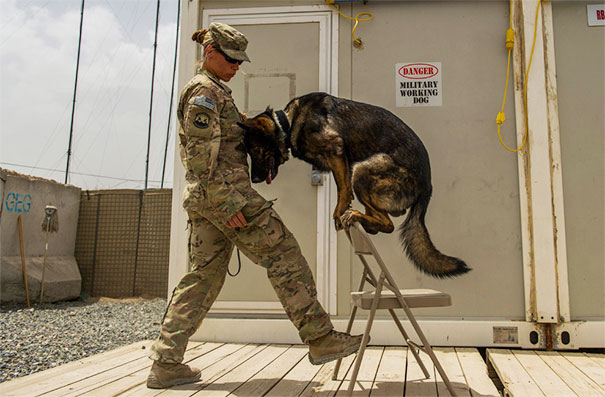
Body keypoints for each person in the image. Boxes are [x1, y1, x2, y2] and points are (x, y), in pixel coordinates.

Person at [146, 22, 362, 389]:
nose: (237, 66)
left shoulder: (216, 92)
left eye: (240, 60)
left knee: (202, 278)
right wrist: (228, 202)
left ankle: (166, 363)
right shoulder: (204, 94)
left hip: (208, 201)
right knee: (283, 253)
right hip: (225, 198)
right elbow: (198, 159)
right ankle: (320, 337)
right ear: (210, 51)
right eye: (230, 59)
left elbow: (225, 143)